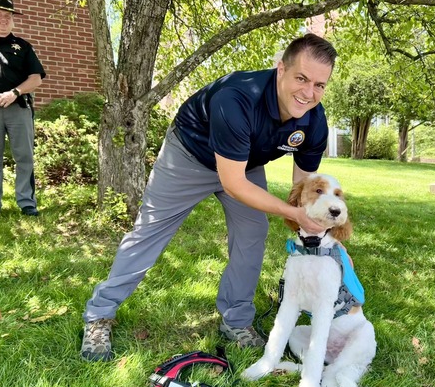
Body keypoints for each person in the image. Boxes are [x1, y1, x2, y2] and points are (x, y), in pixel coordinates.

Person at [81, 33, 338, 361]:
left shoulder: (315, 121)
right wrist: (293, 213)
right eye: (302, 78)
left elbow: (303, 189)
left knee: (253, 231)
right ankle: (99, 315)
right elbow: (233, 184)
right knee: (150, 231)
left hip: (244, 163)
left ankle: (236, 319)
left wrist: (313, 223)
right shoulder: (238, 98)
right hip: (189, 154)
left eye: (319, 85)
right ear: (280, 70)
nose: (308, 93)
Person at [0, 0, 45, 216]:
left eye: (8, 16)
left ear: (13, 21)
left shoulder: (22, 46)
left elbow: (36, 79)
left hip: (18, 109)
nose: (4, 20)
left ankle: (27, 202)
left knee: (24, 156)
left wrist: (14, 92)